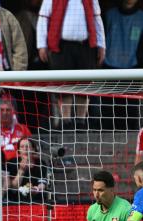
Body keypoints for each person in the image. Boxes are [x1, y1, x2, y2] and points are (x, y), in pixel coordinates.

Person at [37, 0, 106, 128]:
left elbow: (97, 18)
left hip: (85, 46)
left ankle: (80, 121)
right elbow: (43, 18)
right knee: (63, 87)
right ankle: (66, 122)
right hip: (61, 47)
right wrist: (42, 44)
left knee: (85, 86)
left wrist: (101, 44)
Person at [6, 138, 48, 203]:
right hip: (16, 200)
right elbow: (13, 188)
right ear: (19, 150)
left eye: (28, 146)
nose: (25, 149)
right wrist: (21, 170)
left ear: (33, 149)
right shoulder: (12, 162)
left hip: (36, 199)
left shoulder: (41, 163)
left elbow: (42, 182)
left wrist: (37, 189)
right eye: (22, 147)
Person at [1, 95, 31, 161]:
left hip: (18, 165)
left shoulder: (23, 129)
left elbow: (30, 150)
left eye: (8, 110)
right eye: (2, 110)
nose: (5, 113)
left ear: (13, 111)